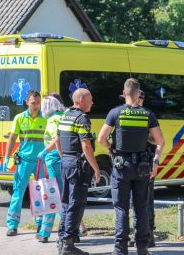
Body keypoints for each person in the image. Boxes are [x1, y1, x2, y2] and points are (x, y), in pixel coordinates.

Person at [98, 79, 164, 255]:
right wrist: (155, 161)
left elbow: (101, 139)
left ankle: (120, 249)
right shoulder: (147, 114)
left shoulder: (115, 113)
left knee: (121, 208)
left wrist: (111, 149)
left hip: (121, 166)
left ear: (124, 92)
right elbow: (160, 141)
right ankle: (142, 247)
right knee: (141, 207)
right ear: (138, 93)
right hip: (142, 167)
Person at [55, 88, 101, 255]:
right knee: (77, 204)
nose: (92, 102)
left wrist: (64, 159)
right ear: (81, 100)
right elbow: (86, 146)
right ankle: (68, 245)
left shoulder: (65, 116)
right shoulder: (82, 119)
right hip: (77, 165)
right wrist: (96, 168)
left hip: (66, 162)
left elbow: (57, 140)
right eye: (90, 99)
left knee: (66, 202)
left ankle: (62, 241)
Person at [4, 90, 47, 237]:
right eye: (33, 103)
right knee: (18, 192)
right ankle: (12, 225)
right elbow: (12, 138)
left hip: (41, 161)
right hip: (24, 160)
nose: (36, 106)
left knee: (41, 193)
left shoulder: (45, 118)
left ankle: (40, 224)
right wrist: (7, 156)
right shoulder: (20, 118)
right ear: (27, 102)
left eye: (38, 103)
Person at [35, 95, 66, 243]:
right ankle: (71, 230)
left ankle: (45, 232)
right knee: (62, 195)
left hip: (54, 160)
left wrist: (46, 151)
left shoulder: (53, 120)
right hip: (63, 159)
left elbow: (56, 139)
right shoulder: (64, 116)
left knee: (54, 195)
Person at [128, 90, 156, 248]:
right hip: (130, 163)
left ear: (142, 99)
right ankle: (136, 232)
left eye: (137, 98)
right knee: (133, 202)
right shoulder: (128, 114)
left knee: (146, 201)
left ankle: (149, 234)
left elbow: (157, 139)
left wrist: (142, 135)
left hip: (145, 163)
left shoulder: (147, 115)